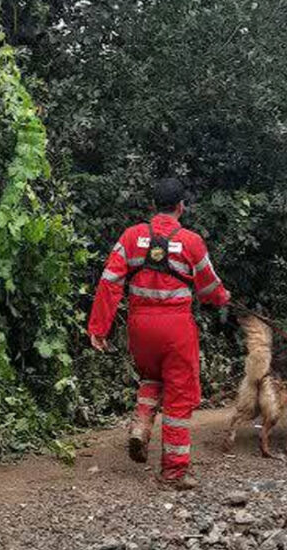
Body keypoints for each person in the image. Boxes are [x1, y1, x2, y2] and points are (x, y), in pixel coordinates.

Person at [87, 179, 231, 490]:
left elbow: (109, 282)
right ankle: (174, 472)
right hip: (175, 327)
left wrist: (99, 327)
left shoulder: (131, 236)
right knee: (179, 398)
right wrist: (223, 297)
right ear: (181, 206)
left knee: (151, 377)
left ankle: (141, 423)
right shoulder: (191, 241)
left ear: (154, 205)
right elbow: (209, 289)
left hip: (140, 327)